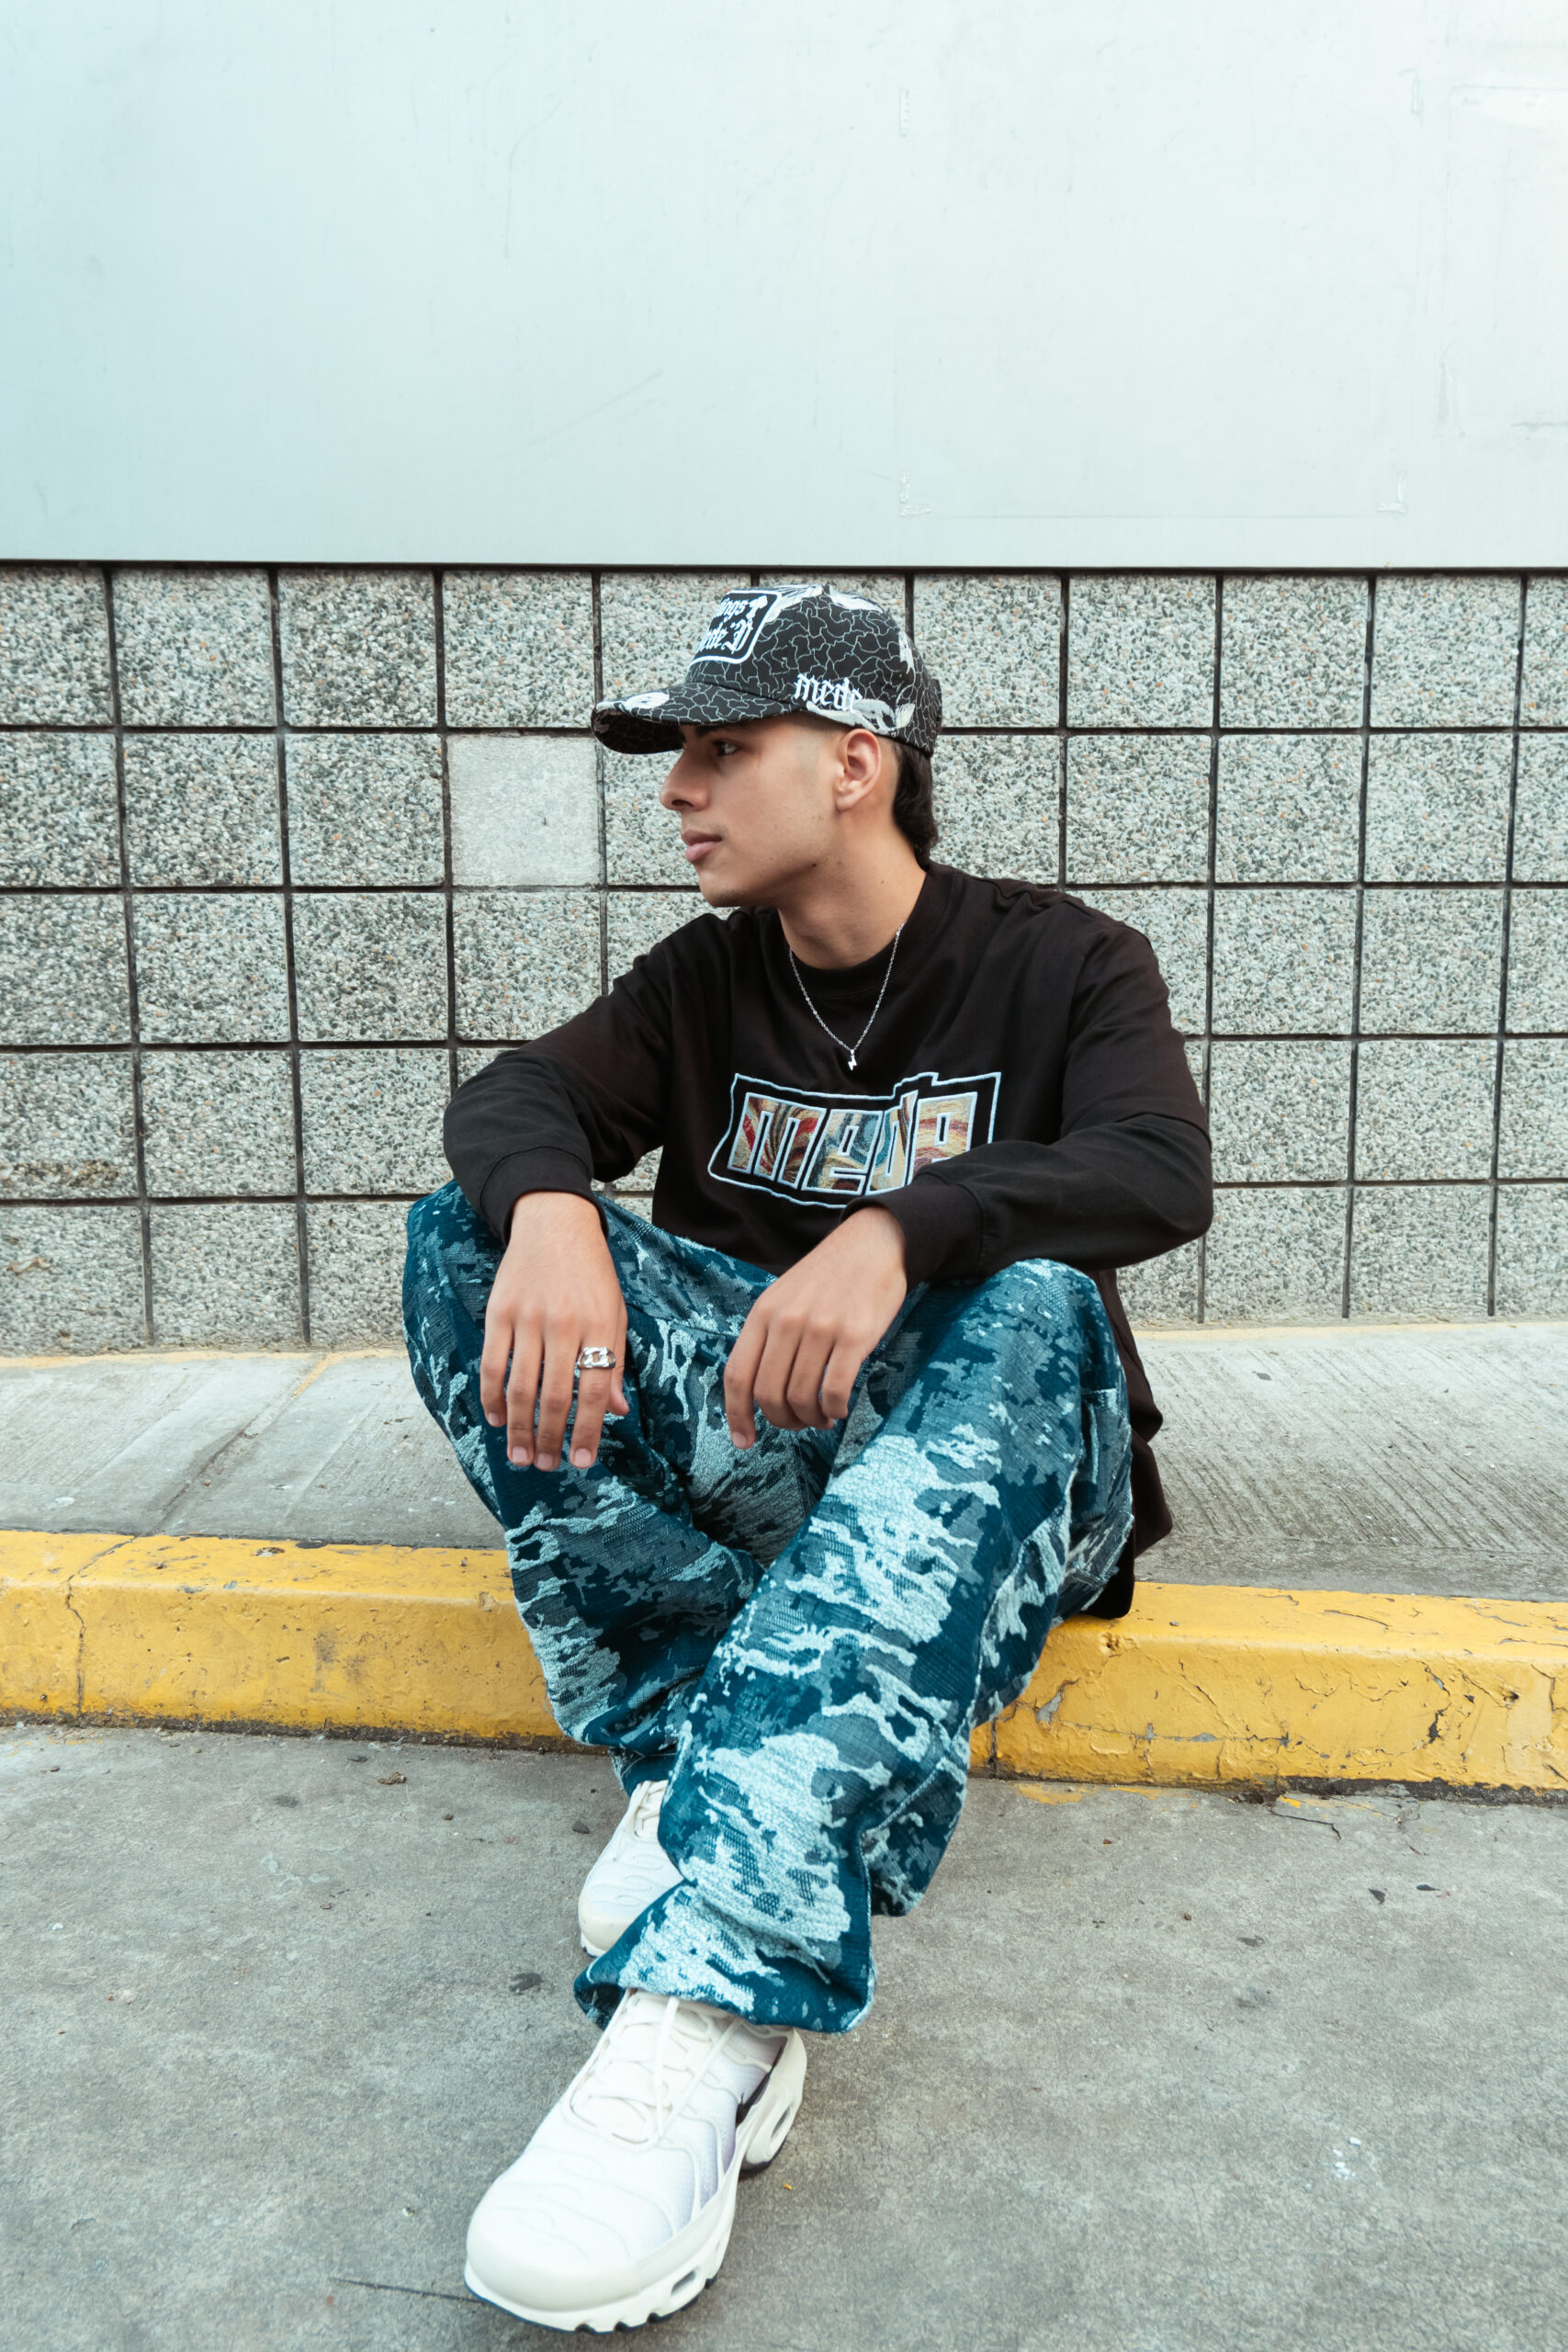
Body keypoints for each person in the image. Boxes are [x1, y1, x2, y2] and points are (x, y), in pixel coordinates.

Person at [403, 582, 1212, 2331]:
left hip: (1001, 1480)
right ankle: (697, 1733)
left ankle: (710, 2006)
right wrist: (550, 1204)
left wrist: (912, 1226)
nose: (678, 790)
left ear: (856, 764)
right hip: (787, 1471)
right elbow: (515, 1096)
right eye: (677, 755)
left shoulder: (1066, 960)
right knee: (461, 1234)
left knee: (1036, 1303)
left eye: (721, 749)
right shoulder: (708, 977)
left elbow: (1159, 1170)